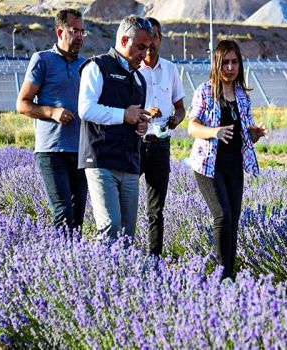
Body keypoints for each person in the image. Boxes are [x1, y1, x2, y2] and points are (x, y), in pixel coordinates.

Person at [187, 40, 268, 280]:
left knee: (233, 219)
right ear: (217, 64)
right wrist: (214, 131)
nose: (230, 68)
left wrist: (254, 134)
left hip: (234, 166)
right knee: (222, 215)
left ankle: (230, 274)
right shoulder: (205, 91)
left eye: (235, 62)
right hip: (208, 165)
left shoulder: (242, 96)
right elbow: (192, 126)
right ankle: (222, 276)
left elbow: (244, 137)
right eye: (226, 63)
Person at [78, 15, 153, 241]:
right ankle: (101, 274)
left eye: (147, 48)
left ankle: (121, 276)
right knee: (110, 228)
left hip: (129, 163)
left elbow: (134, 117)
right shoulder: (97, 66)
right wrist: (124, 115)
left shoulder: (140, 79)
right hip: (101, 160)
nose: (145, 54)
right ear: (123, 41)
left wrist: (141, 123)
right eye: (140, 47)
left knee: (127, 235)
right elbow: (85, 109)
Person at [16, 8, 88, 232]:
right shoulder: (42, 60)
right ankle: (61, 260)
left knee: (77, 218)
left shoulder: (87, 66)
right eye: (74, 30)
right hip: (51, 151)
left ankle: (74, 264)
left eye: (83, 31)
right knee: (63, 213)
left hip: (81, 150)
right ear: (60, 32)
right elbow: (23, 104)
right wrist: (52, 112)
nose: (79, 36)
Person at [138, 17, 186, 256]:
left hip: (160, 144)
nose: (150, 43)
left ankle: (154, 256)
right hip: (134, 144)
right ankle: (123, 253)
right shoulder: (132, 69)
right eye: (147, 37)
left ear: (160, 39)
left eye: (155, 37)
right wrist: (145, 115)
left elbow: (180, 107)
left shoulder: (170, 69)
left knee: (156, 209)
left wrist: (175, 120)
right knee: (125, 202)